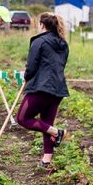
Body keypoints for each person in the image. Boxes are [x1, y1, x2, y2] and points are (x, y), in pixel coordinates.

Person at [16, 12, 70, 169]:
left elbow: (31, 66)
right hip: (58, 89)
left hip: (41, 87)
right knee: (46, 123)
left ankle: (57, 132)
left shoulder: (39, 42)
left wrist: (26, 76)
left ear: (42, 25)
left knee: (22, 118)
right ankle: (46, 160)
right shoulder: (63, 43)